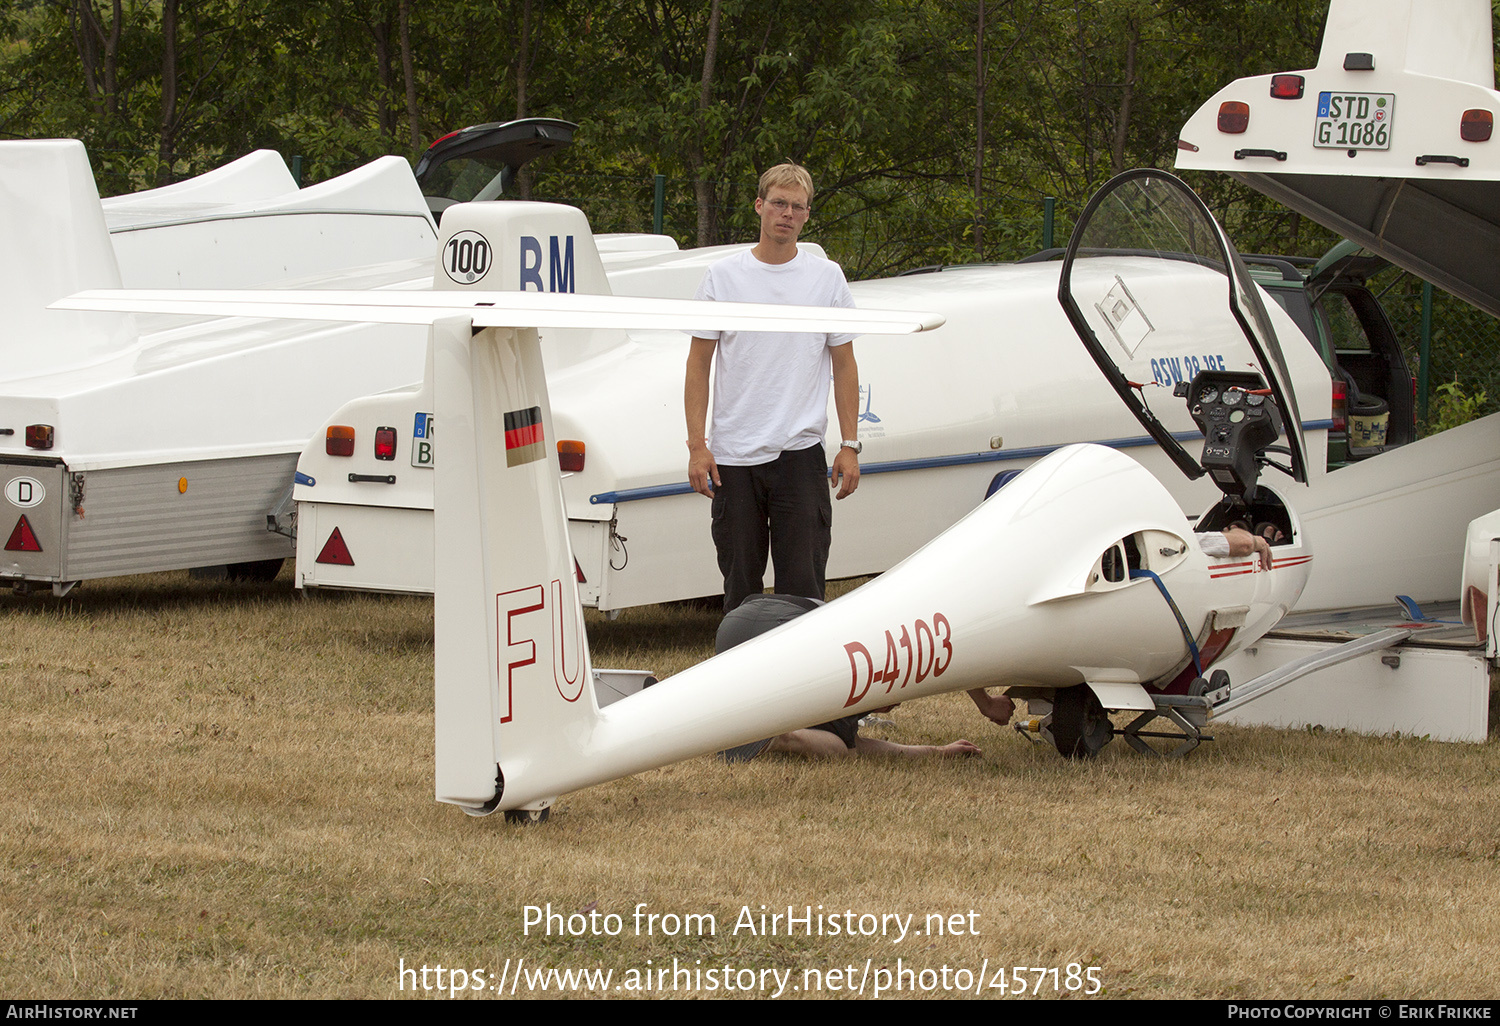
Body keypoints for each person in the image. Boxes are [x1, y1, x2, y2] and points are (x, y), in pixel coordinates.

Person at [685, 163, 860, 614]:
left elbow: (844, 365)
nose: (786, 214)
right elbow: (698, 364)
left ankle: (805, 679)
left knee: (802, 588)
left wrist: (850, 444)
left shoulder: (827, 279)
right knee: (740, 585)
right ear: (760, 206)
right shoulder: (723, 277)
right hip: (733, 458)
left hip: (799, 455)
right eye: (778, 203)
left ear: (806, 215)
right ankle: (738, 678)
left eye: (796, 207)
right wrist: (697, 446)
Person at [714, 595, 982, 763]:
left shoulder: (879, 632)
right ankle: (775, 736)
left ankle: (729, 704)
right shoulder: (854, 683)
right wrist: (937, 751)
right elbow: (859, 749)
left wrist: (938, 751)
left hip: (737, 623)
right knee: (840, 749)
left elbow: (945, 644)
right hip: (784, 641)